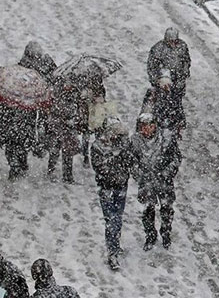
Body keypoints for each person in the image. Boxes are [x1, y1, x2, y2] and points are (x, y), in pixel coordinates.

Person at [90, 118, 136, 270]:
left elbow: (130, 161)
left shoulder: (124, 144)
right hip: (106, 188)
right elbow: (98, 167)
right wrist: (114, 166)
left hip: (121, 186)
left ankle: (114, 244)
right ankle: (112, 251)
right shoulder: (97, 146)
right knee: (111, 219)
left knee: (118, 217)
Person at [132, 113, 181, 250]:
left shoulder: (166, 139)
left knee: (167, 209)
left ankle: (166, 233)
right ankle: (150, 235)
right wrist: (140, 175)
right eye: (142, 126)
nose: (145, 129)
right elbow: (131, 161)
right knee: (148, 209)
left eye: (148, 126)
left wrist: (167, 173)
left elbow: (176, 158)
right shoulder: (135, 141)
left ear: (154, 126)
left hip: (164, 181)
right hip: (146, 182)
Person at [147, 28, 190, 126]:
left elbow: (186, 62)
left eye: (175, 41)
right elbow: (151, 66)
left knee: (176, 102)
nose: (173, 43)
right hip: (163, 81)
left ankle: (177, 123)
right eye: (170, 41)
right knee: (161, 103)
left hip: (178, 81)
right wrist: (157, 80)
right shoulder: (158, 49)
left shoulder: (182, 46)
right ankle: (160, 121)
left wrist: (183, 75)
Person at [47, 79, 84, 183]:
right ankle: (52, 171)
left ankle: (67, 175)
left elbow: (79, 112)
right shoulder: (58, 95)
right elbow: (54, 111)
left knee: (67, 152)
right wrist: (65, 120)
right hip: (59, 128)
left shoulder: (75, 95)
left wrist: (74, 120)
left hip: (67, 130)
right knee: (56, 150)